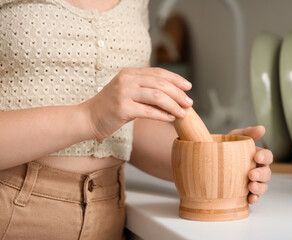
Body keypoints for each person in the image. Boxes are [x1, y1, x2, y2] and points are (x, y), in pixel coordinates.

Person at [0, 0, 273, 239]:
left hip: (108, 211)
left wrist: (214, 162)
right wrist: (89, 117)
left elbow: (131, 124)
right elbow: (102, 115)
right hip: (13, 211)